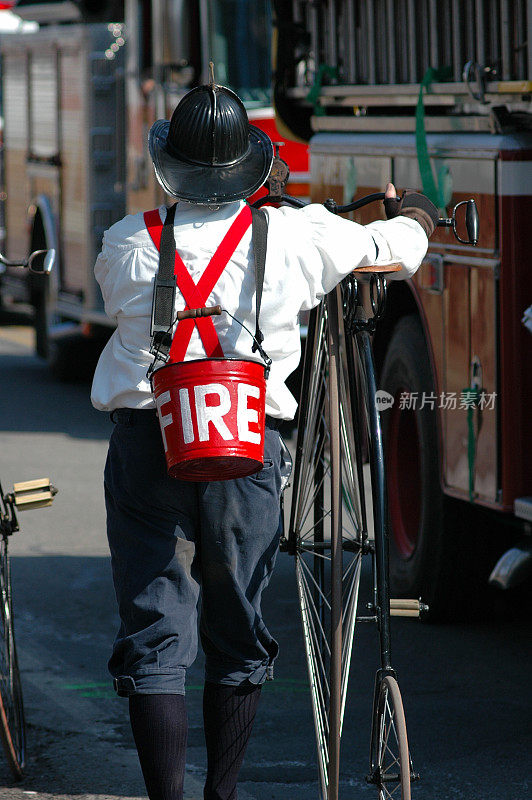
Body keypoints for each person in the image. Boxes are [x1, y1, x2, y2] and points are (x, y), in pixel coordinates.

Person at [90, 78, 438, 800]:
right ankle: (222, 793)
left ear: (171, 166)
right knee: (237, 631)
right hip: (246, 452)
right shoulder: (296, 234)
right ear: (249, 168)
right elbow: (391, 252)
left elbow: (116, 299)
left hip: (149, 442)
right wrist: (417, 216)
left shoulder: (126, 243)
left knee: (155, 634)